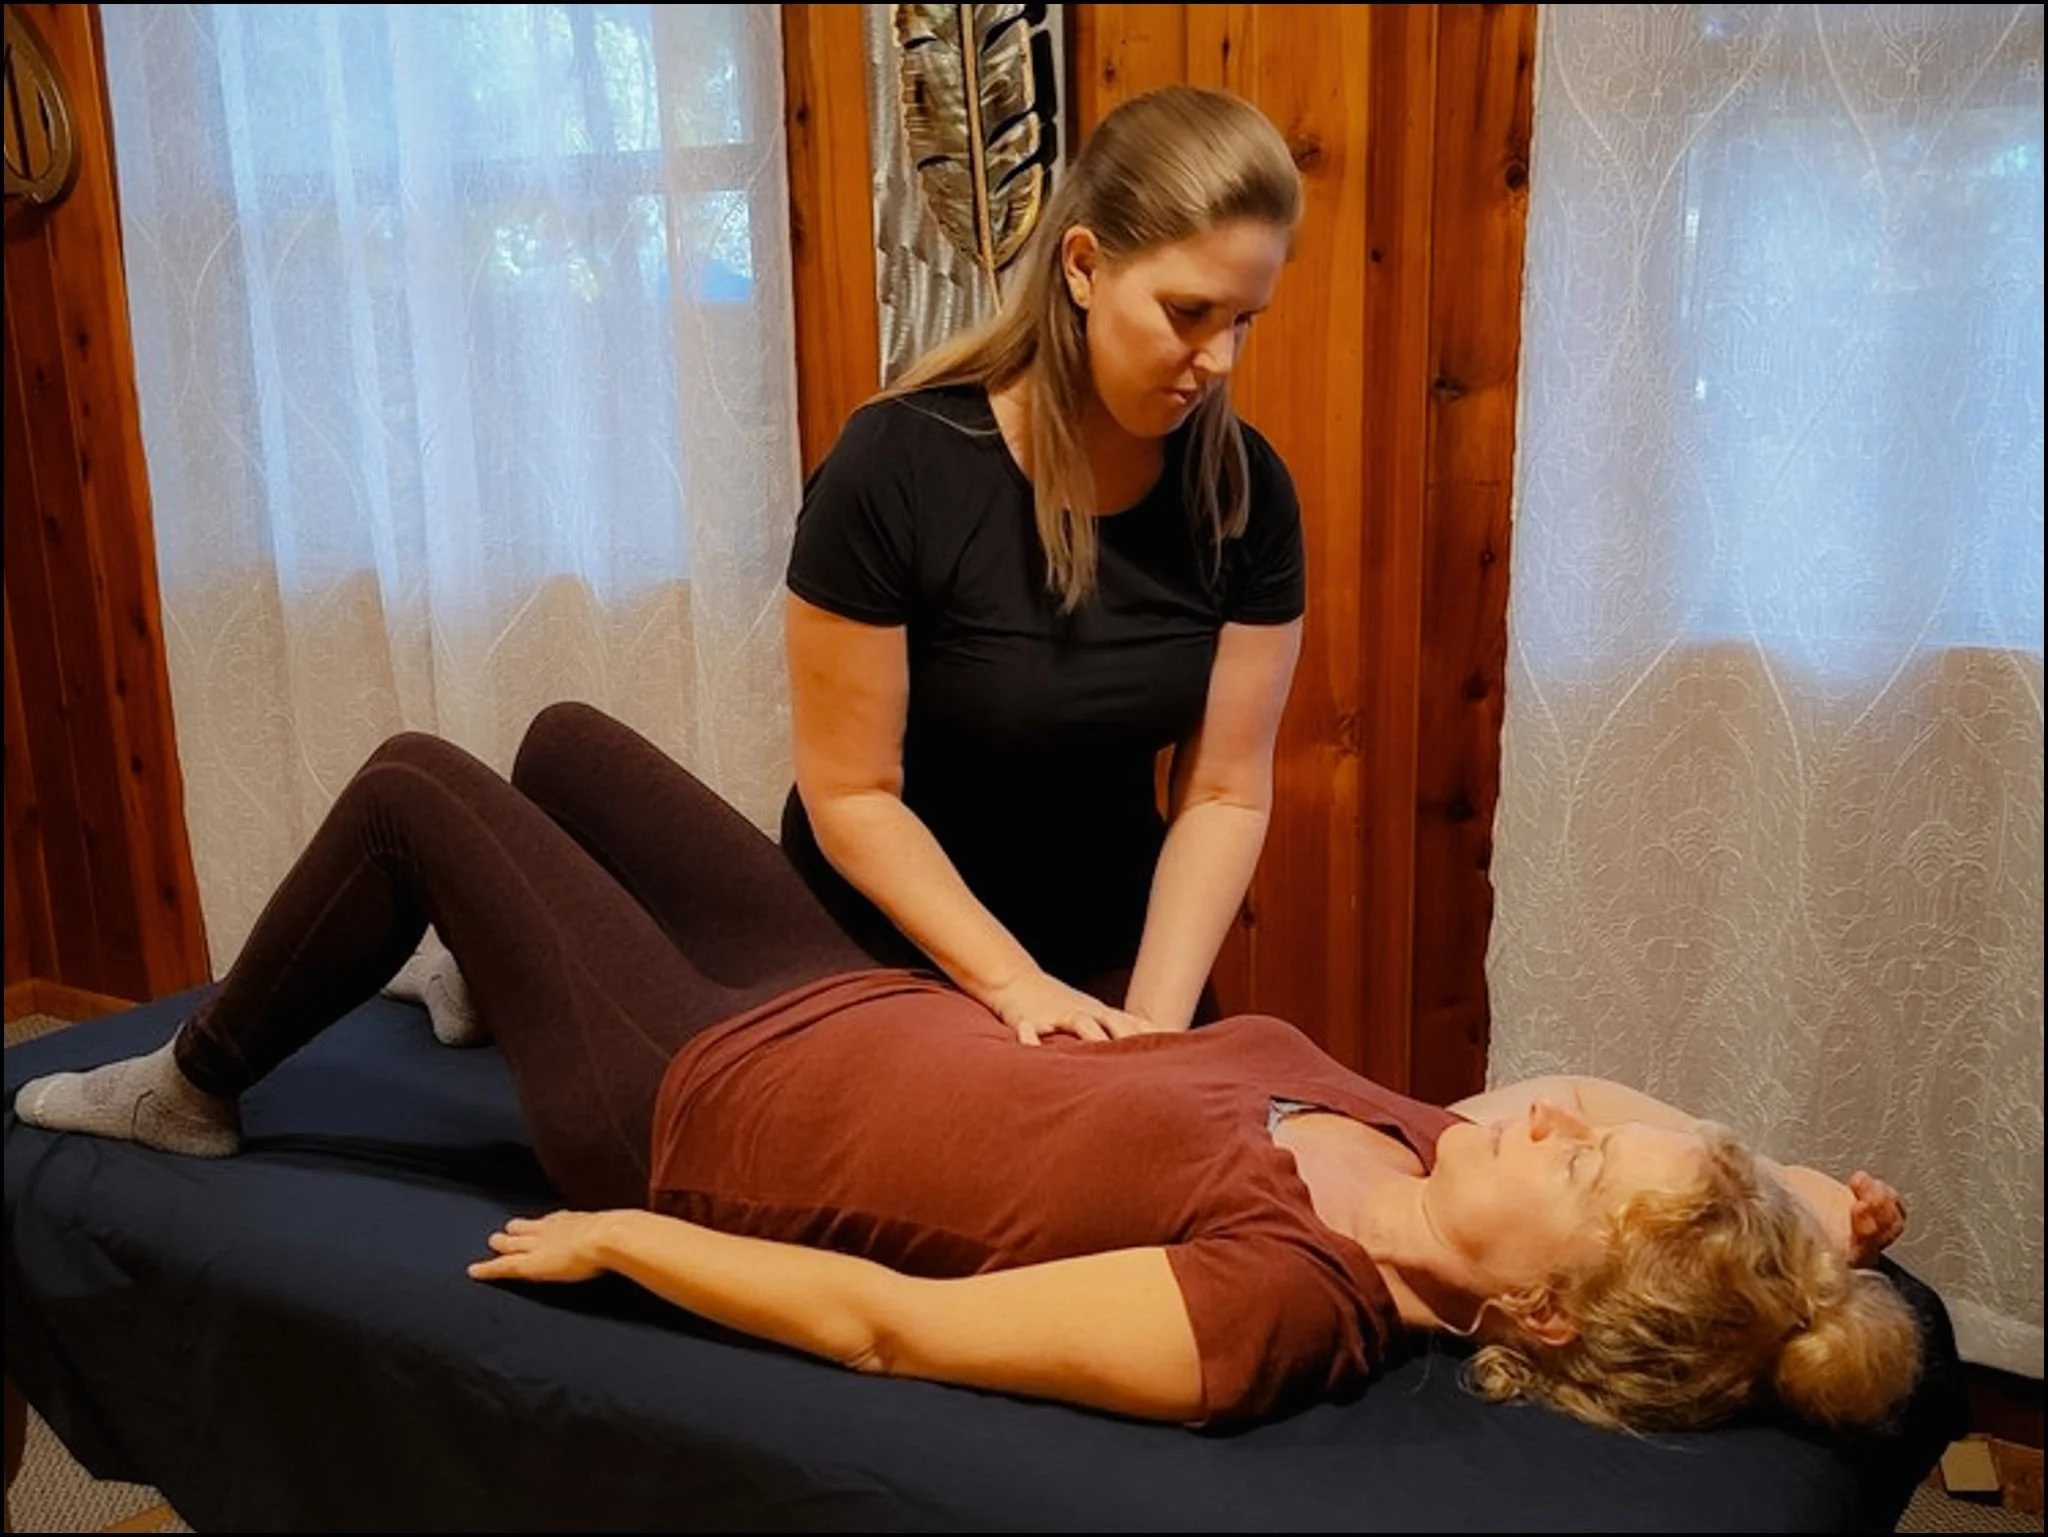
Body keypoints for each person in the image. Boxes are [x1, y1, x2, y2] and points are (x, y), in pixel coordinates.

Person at [13, 707, 1919, 1433]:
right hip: (849, 993)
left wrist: (623, 1238)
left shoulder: (1283, 1302)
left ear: (1542, 1319)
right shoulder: (1432, 1150)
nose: (1568, 1120)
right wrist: (1795, 1206)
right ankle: (476, 979)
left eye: (1579, 1174)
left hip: (698, 1099)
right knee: (570, 742)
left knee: (426, 782)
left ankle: (203, 1070)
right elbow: (1614, 1107)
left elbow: (887, 1333)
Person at [781, 85, 1308, 1045]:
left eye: (1243, 320)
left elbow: (1224, 791)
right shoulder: (895, 465)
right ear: (1082, 267)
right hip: (891, 944)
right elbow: (850, 794)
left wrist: (1152, 1024)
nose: (1220, 358)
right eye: (1189, 311)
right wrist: (1018, 989)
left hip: (1103, 939)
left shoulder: (1246, 495)